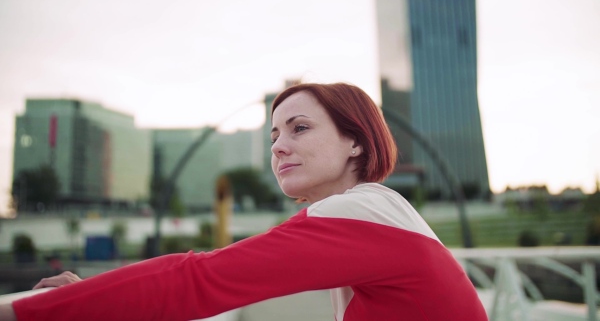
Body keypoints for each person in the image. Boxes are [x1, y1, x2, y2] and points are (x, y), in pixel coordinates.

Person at [0, 82, 488, 321]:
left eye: (300, 128)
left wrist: (51, 308)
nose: (277, 146)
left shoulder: (360, 210)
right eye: (274, 134)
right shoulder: (380, 212)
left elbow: (200, 279)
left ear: (355, 142)